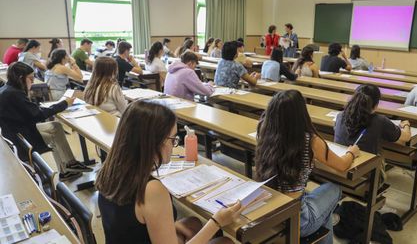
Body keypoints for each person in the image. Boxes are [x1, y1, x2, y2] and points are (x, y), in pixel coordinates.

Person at [96, 100, 242, 244]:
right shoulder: (152, 190)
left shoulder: (109, 169)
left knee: (193, 224)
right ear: (154, 142)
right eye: (172, 139)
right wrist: (216, 222)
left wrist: (171, 228)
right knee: (225, 241)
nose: (174, 146)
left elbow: (130, 225)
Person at [255, 90, 359, 242]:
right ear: (301, 113)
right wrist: (351, 152)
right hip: (299, 220)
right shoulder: (310, 141)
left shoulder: (265, 132)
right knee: (335, 189)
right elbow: (342, 165)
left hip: (271, 211)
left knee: (324, 211)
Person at [0, 62, 92, 180]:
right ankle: (68, 166)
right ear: (20, 78)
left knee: (55, 126)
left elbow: (30, 110)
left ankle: (68, 167)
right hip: (22, 136)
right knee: (54, 131)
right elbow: (38, 115)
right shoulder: (14, 94)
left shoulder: (7, 89)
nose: (33, 82)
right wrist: (64, 104)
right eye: (31, 78)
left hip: (16, 132)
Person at [334, 84, 411, 181]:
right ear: (376, 104)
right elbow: (406, 137)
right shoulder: (380, 121)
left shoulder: (340, 115)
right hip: (366, 177)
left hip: (338, 170)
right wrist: (406, 125)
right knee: (380, 151)